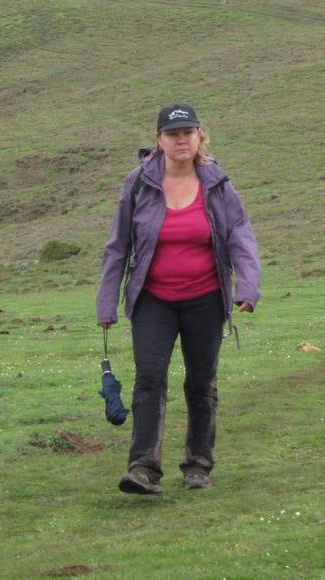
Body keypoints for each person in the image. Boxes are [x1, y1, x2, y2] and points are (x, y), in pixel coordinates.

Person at [96, 104, 260, 495]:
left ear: (201, 136)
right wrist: (106, 304)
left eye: (188, 132)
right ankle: (143, 468)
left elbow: (240, 234)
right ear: (159, 140)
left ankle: (198, 464)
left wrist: (248, 287)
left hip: (205, 298)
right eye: (172, 133)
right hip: (153, 299)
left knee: (201, 384)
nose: (181, 139)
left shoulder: (217, 184)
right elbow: (117, 246)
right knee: (149, 380)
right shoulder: (138, 183)